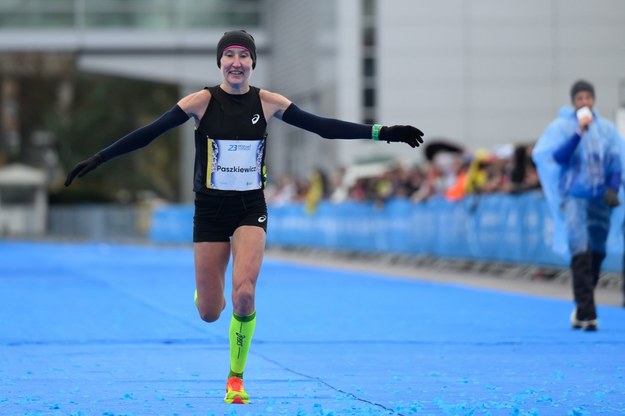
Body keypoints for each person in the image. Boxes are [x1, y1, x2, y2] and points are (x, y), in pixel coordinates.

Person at [64, 30, 424, 404]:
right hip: (209, 212)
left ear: (253, 63)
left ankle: (235, 378)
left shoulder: (268, 103)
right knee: (209, 312)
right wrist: (99, 158)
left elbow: (323, 127)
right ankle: (207, 293)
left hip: (250, 208)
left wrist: (384, 132)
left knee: (245, 294)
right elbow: (148, 134)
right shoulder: (199, 102)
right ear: (220, 62)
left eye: (244, 56)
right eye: (229, 55)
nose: (236, 62)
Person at [532, 79, 624, 332]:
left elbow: (616, 162)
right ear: (574, 102)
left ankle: (582, 303)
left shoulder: (606, 130)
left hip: (600, 201)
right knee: (580, 250)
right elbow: (558, 158)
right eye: (579, 99)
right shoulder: (564, 128)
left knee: (597, 252)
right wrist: (578, 133)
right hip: (574, 198)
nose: (584, 102)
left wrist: (613, 189)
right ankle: (587, 311)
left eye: (588, 98)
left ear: (593, 100)